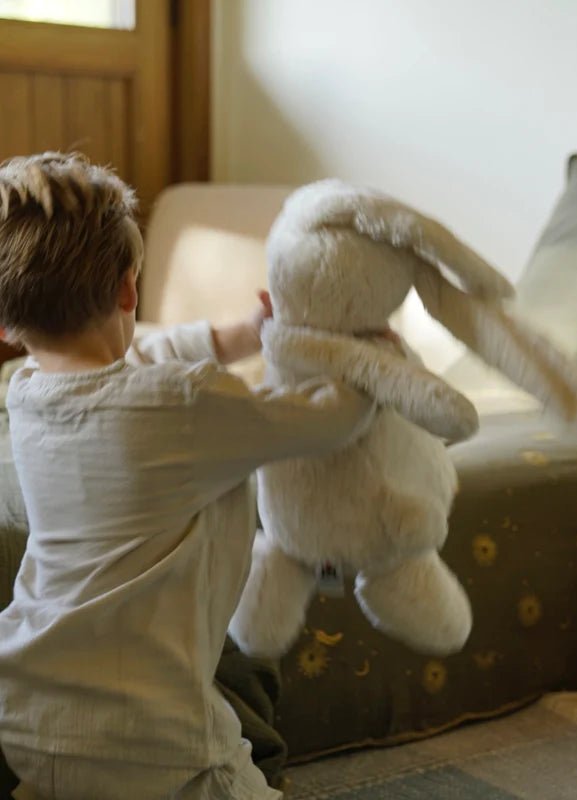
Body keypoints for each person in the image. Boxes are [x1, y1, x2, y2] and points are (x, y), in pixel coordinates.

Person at [0, 152, 375, 799]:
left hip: (29, 708)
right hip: (151, 731)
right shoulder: (186, 404)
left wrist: (245, 334)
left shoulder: (27, 392)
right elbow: (327, 420)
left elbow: (134, 362)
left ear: (7, 325)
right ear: (128, 288)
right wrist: (369, 354)